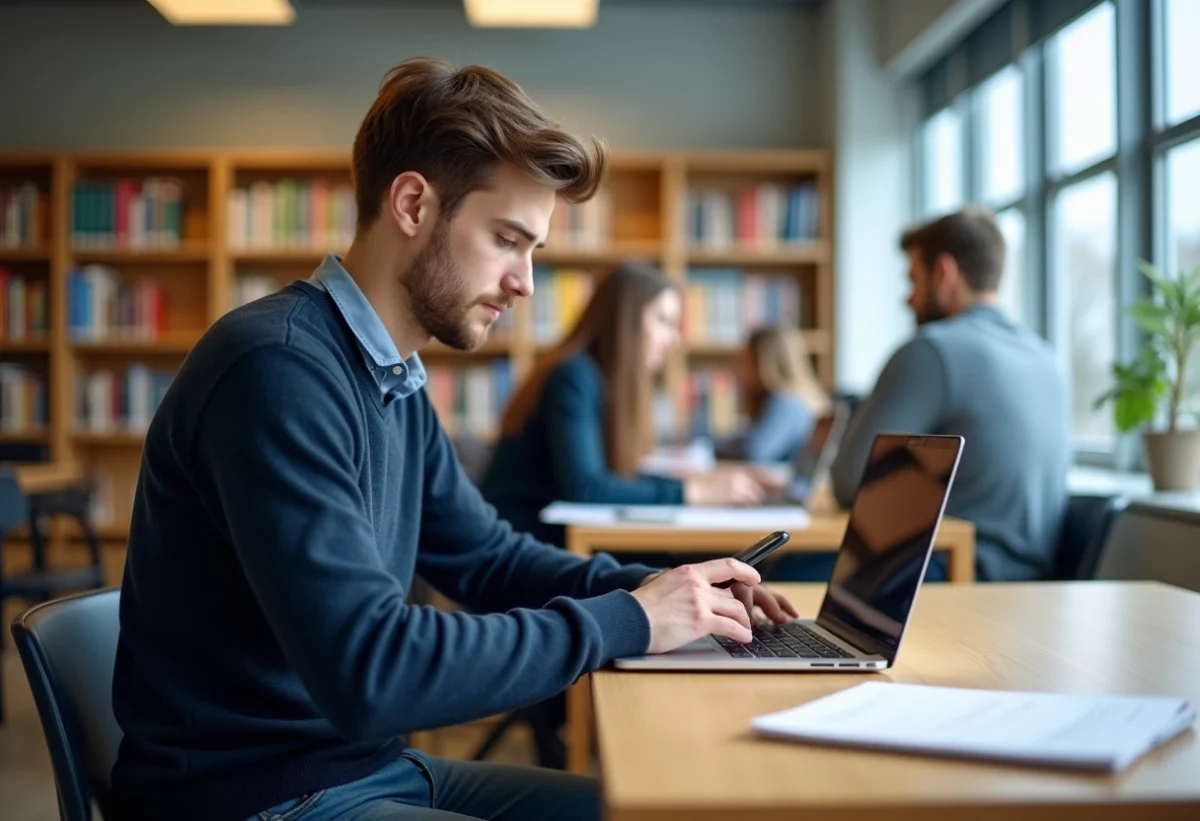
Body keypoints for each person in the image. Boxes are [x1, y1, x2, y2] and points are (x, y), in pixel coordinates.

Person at [110, 56, 798, 821]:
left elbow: (488, 559)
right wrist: (631, 620)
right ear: (412, 204)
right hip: (260, 798)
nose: (526, 282)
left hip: (366, 772)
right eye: (508, 239)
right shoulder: (277, 370)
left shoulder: (389, 376)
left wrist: (676, 592)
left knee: (673, 810)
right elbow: (373, 668)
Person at [829, 206, 1070, 582]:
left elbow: (849, 483)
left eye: (913, 280)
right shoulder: (1047, 357)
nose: (908, 299)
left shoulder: (930, 350)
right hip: (1033, 585)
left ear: (944, 272)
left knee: (764, 577)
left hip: (949, 579)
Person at [479, 261, 767, 549]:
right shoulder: (574, 376)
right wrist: (696, 492)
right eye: (664, 321)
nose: (674, 339)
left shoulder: (594, 377)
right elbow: (588, 488)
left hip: (551, 541)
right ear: (625, 321)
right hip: (519, 547)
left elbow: (616, 475)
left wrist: (703, 485)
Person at [717, 326, 833, 464]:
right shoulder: (792, 398)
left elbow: (754, 450)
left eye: (745, 361)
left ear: (763, 363)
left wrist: (707, 447)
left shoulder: (785, 402)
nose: (738, 369)